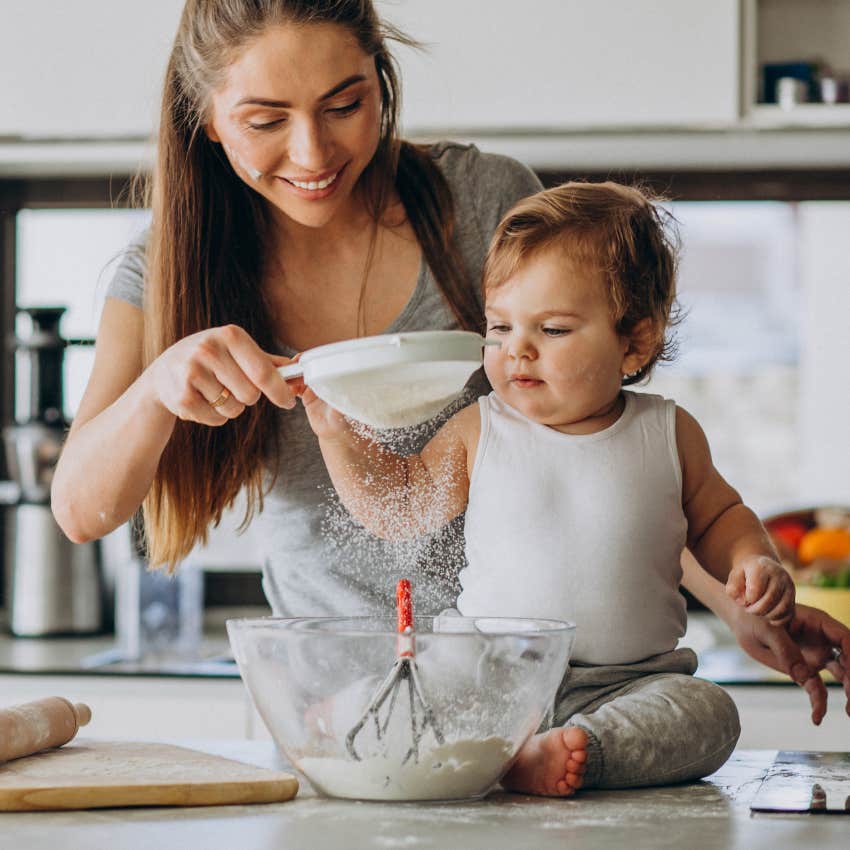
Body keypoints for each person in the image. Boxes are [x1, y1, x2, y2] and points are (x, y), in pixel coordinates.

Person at [49, 0, 849, 727]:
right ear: (208, 119)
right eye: (265, 120)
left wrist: (746, 605)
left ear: (381, 80)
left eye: (345, 105)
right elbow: (82, 510)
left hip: (539, 689)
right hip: (340, 709)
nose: (314, 151)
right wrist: (159, 387)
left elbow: (599, 463)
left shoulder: (482, 199)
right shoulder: (166, 270)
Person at [300, 181, 820, 794]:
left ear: (635, 342)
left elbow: (717, 519)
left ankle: (573, 752)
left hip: (630, 681)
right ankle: (424, 732)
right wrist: (338, 436)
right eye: (500, 326)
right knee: (416, 687)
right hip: (489, 673)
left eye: (552, 330)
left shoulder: (669, 432)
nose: (517, 349)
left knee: (709, 714)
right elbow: (403, 507)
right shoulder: (480, 427)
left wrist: (753, 560)